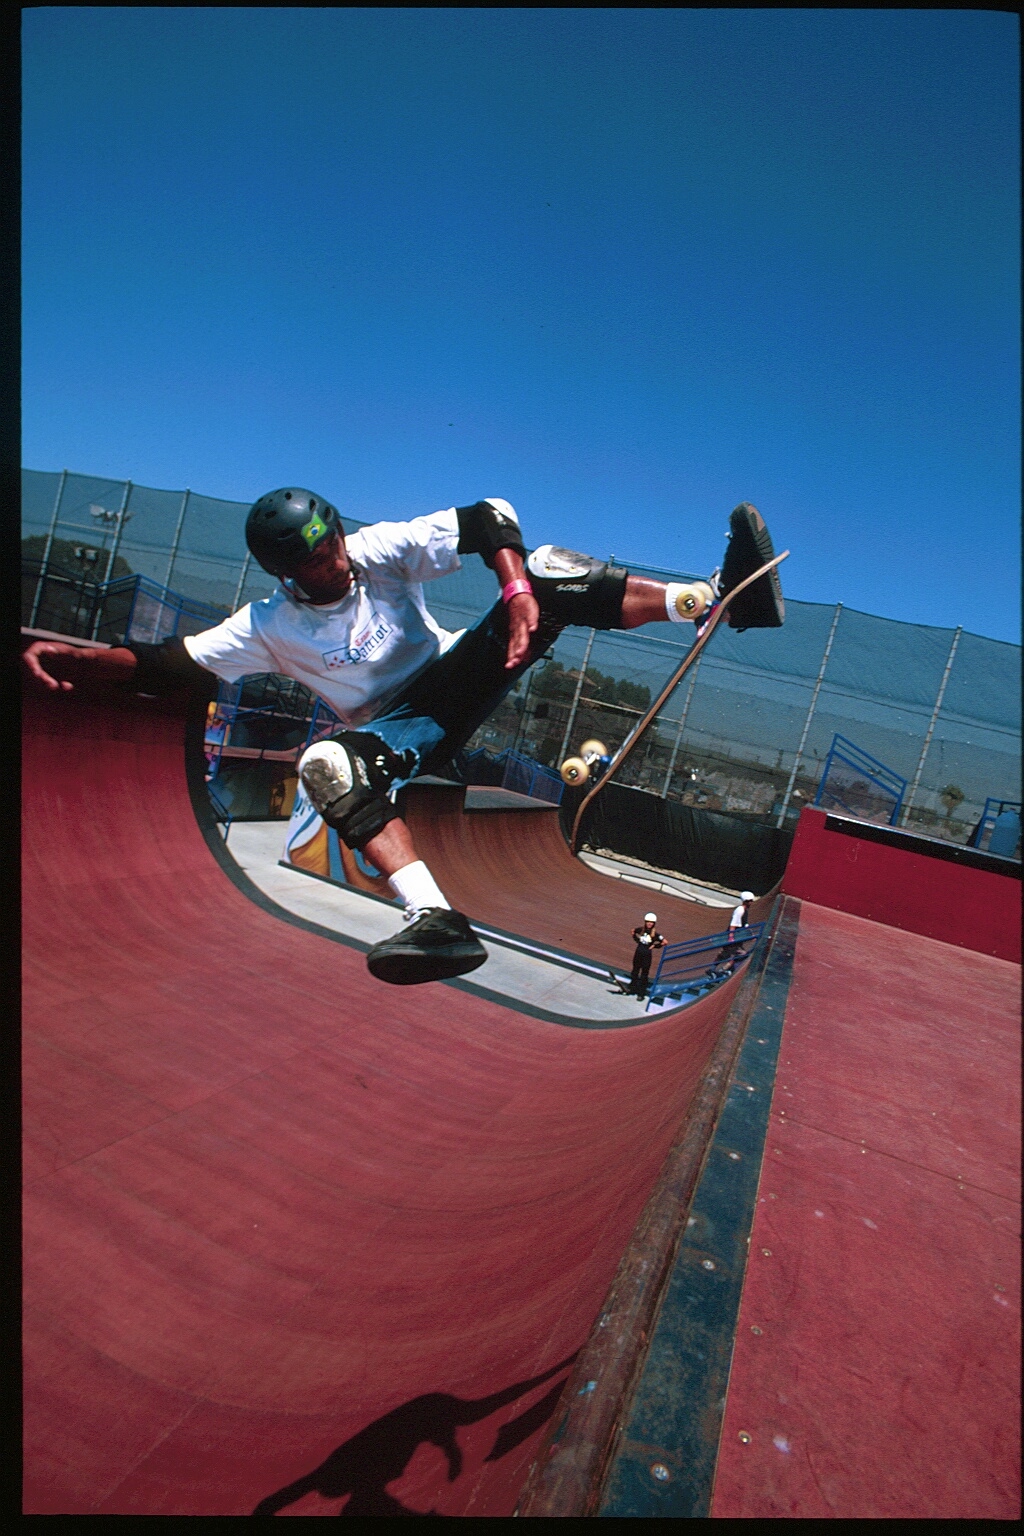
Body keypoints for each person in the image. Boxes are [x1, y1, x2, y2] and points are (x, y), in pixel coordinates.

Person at [24, 492, 784, 986]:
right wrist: (83, 661)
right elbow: (169, 663)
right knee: (327, 762)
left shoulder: (377, 550)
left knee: (548, 569)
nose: (335, 564)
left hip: (463, 672)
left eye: (333, 547)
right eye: (316, 563)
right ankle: (435, 920)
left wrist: (516, 590)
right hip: (404, 730)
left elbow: (488, 519)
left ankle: (719, 598)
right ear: (285, 572)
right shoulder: (267, 626)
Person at [626, 913, 666, 998]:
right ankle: (632, 988)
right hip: (638, 953)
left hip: (647, 955)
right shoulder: (641, 930)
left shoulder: (655, 934)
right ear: (645, 922)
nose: (649, 924)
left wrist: (654, 946)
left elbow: (665, 942)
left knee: (644, 974)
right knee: (635, 971)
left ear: (654, 923)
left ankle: (641, 993)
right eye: (648, 922)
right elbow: (633, 931)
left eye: (651, 922)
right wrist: (636, 940)